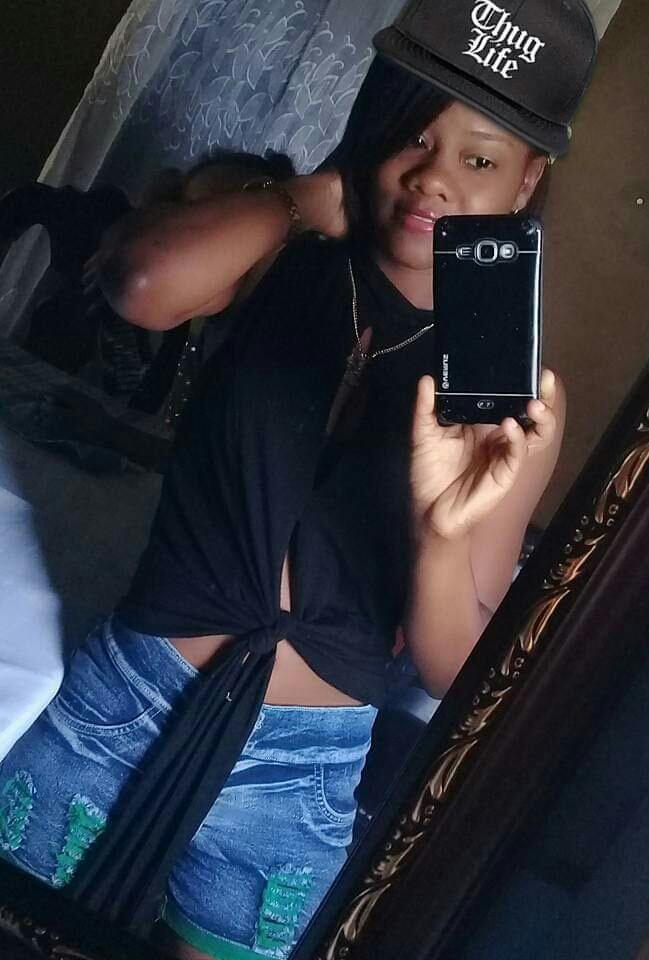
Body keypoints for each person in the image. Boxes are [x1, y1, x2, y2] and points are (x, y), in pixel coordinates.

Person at [0, 1, 598, 957]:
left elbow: (453, 668)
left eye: (479, 160)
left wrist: (444, 533)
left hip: (299, 781)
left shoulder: (505, 400)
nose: (433, 176)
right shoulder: (281, 252)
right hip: (124, 702)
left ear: (528, 179)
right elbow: (141, 284)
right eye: (412, 132)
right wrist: (301, 200)